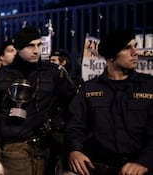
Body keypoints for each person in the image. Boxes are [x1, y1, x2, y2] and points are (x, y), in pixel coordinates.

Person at [0, 3, 76, 175]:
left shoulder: (52, 73)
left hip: (44, 148)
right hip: (10, 147)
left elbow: (72, 104)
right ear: (18, 48)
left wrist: (57, 126)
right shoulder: (4, 74)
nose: (36, 51)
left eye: (39, 45)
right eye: (30, 46)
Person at [65, 29, 152, 175]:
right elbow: (75, 126)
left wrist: (144, 162)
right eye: (127, 48)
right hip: (98, 167)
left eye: (135, 46)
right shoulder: (89, 89)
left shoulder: (149, 86)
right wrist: (74, 151)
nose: (135, 52)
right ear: (111, 56)